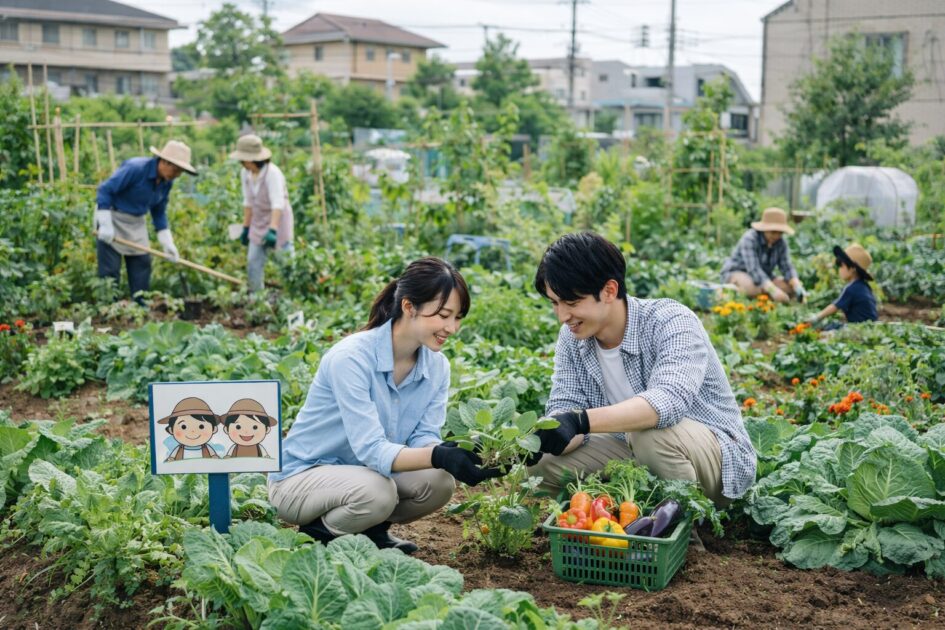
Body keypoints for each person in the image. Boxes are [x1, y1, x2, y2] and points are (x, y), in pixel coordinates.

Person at [267, 258, 501, 554]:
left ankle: (369, 530)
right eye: (443, 315)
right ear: (408, 306)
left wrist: (453, 454)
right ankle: (319, 535)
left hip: (365, 475)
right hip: (302, 478)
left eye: (458, 317)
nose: (451, 328)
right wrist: (438, 454)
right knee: (378, 491)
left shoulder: (437, 367)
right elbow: (371, 449)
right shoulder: (351, 358)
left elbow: (423, 437)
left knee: (439, 482)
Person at [528, 232, 757, 509]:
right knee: (541, 462)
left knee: (649, 433)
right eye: (555, 303)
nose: (563, 316)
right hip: (634, 452)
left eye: (572, 303)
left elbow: (668, 403)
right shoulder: (572, 338)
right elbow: (566, 410)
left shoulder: (670, 320)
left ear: (609, 291)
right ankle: (615, 518)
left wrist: (580, 420)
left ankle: (682, 531)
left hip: (711, 462)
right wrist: (536, 441)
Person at [94, 140, 196, 304]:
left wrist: (167, 242)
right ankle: (108, 308)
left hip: (136, 222)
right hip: (113, 217)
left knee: (142, 264)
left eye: (180, 172)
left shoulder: (166, 182)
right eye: (176, 170)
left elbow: (158, 211)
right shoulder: (136, 169)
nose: (177, 175)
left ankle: (140, 307)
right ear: (164, 162)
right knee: (110, 270)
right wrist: (105, 224)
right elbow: (105, 190)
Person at [229, 134, 294, 293]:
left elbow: (277, 204)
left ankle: (292, 295)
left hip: (277, 221)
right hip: (258, 222)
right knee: (253, 261)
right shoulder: (246, 174)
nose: (241, 163)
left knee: (285, 262)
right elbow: (248, 202)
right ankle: (257, 298)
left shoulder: (273, 174)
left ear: (250, 159)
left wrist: (272, 230)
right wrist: (245, 228)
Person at [720, 207, 806, 304]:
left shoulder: (781, 243)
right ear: (764, 229)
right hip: (739, 272)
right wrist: (773, 290)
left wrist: (797, 285)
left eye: (780, 233)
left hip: (764, 278)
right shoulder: (750, 239)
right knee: (751, 288)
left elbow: (786, 267)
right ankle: (736, 290)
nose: (776, 236)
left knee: (790, 288)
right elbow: (753, 269)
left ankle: (764, 294)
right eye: (773, 232)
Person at [807, 243, 878, 328]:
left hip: (858, 327)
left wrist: (817, 317)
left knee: (830, 327)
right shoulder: (864, 286)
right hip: (870, 327)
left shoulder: (851, 289)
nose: (839, 270)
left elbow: (834, 306)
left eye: (841, 265)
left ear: (852, 269)